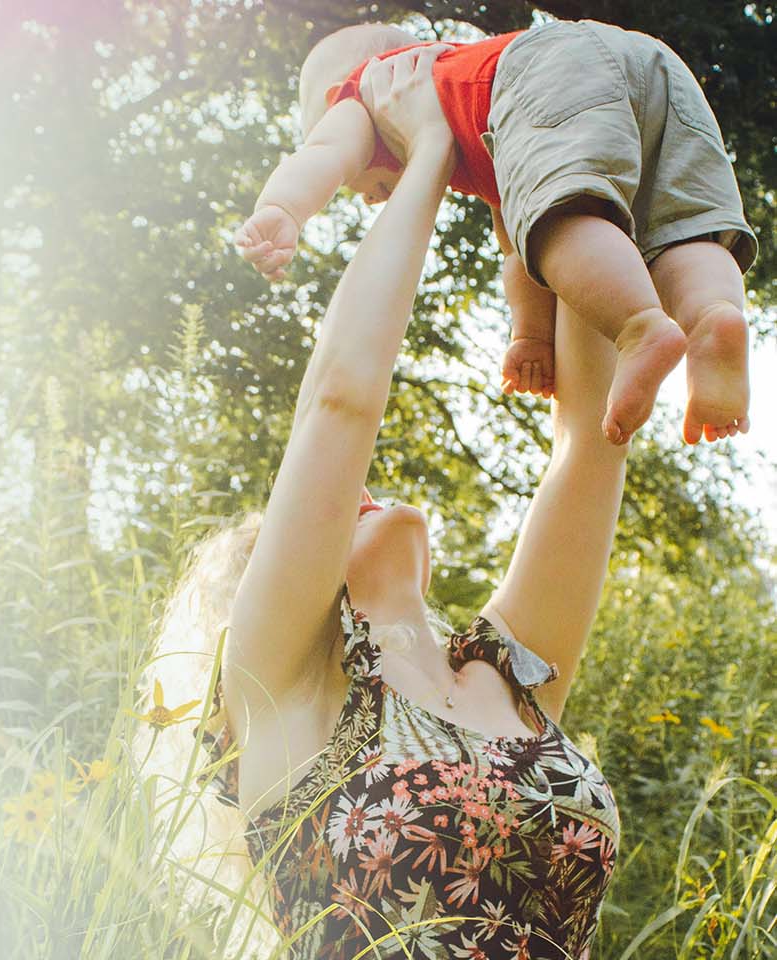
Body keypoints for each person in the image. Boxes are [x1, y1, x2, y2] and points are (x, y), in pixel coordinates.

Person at [137, 49, 624, 957]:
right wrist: (430, 149)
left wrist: (534, 177)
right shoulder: (280, 691)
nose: (353, 490)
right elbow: (341, 398)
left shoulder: (504, 678)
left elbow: (591, 442)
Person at [234, 19, 756, 446]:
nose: (370, 196)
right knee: (682, 227)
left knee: (562, 224)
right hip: (652, 64)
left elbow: (323, 153)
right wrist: (530, 336)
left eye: (360, 185)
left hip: (548, 67)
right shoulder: (484, 117)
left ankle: (640, 326)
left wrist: (282, 208)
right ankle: (712, 318)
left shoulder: (369, 91)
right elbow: (518, 247)